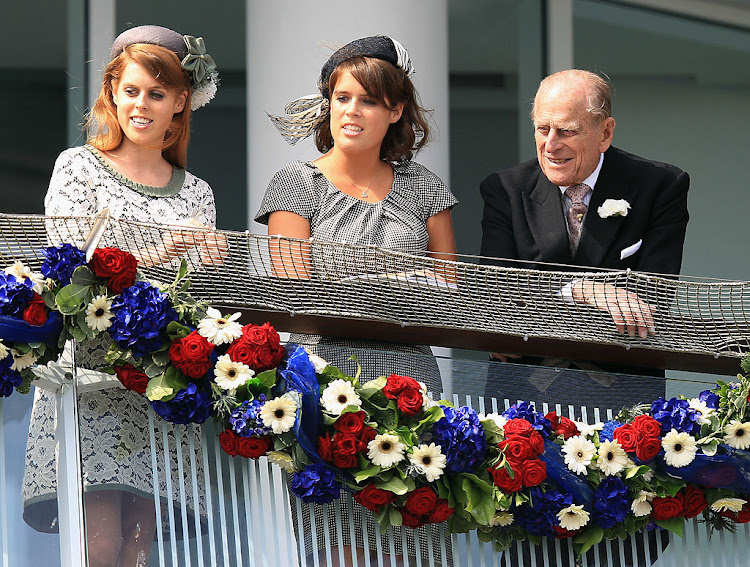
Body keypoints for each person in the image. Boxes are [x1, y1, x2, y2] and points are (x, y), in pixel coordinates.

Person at [22, 25, 222, 567]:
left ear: (181, 101)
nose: (141, 105)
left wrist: (213, 263)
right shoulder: (78, 166)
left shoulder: (197, 190)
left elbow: (202, 298)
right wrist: (159, 255)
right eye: (130, 90)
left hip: (162, 377)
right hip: (91, 375)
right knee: (99, 543)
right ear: (111, 92)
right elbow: (67, 266)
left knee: (141, 543)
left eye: (157, 94)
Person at [255, 36, 457, 566]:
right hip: (326, 378)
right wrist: (400, 284)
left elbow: (451, 293)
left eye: (367, 100)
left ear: (394, 111)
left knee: (412, 539)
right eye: (342, 97)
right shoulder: (296, 184)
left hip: (412, 380)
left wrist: (361, 282)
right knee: (336, 544)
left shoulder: (425, 188)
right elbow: (297, 289)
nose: (351, 110)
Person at [480, 69, 689, 565]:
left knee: (624, 549)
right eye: (541, 129)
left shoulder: (660, 184)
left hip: (623, 412)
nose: (550, 144)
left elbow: (654, 296)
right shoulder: (504, 189)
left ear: (606, 132)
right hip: (527, 405)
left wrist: (547, 301)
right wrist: (585, 290)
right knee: (530, 548)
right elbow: (496, 298)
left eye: (567, 130)